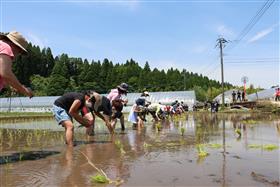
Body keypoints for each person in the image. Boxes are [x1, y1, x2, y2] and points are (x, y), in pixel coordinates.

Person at [0, 31, 33, 97]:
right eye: (20, 51)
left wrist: (16, 86)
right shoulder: (6, 47)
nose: (18, 54)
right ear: (14, 45)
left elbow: (4, 79)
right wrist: (24, 90)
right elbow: (5, 73)